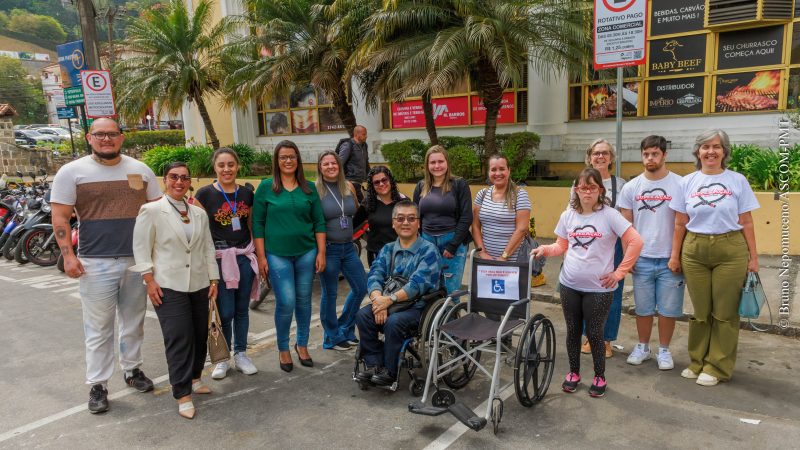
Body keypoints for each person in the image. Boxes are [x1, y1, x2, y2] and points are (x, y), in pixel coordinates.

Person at [51, 118, 161, 414]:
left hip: (137, 261)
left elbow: (159, 212)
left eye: (112, 134)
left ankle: (132, 370)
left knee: (134, 322)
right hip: (94, 263)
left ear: (121, 138)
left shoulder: (141, 170)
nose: (106, 139)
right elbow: (60, 217)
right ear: (89, 138)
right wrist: (68, 256)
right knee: (98, 328)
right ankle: (98, 384)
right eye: (99, 134)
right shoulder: (71, 172)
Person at [532, 168, 642, 398]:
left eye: (592, 187)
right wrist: (545, 249)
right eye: (583, 187)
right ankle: (573, 373)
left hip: (599, 289)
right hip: (570, 284)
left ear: (600, 190)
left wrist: (619, 273)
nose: (587, 192)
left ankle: (599, 376)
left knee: (594, 333)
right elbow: (561, 246)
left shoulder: (610, 215)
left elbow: (636, 241)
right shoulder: (568, 215)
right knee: (573, 331)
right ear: (576, 190)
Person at [668, 129, 759, 387]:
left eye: (716, 146)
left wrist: (753, 258)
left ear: (724, 151)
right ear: (698, 152)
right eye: (705, 147)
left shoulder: (737, 181)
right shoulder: (687, 182)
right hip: (694, 249)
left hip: (730, 250)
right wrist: (674, 256)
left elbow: (747, 222)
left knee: (724, 312)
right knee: (700, 311)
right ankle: (697, 361)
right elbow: (679, 223)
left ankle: (717, 366)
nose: (711, 151)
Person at [131, 162, 219, 419]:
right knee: (179, 338)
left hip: (199, 283)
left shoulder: (198, 213)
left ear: (190, 182)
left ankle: (195, 378)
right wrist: (149, 280)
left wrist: (214, 279)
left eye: (184, 177)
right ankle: (182, 394)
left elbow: (207, 247)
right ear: (165, 180)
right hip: (168, 285)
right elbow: (141, 248)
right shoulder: (151, 210)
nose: (179, 182)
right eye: (174, 177)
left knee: (200, 334)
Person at [252, 140, 326, 373]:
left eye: (292, 156)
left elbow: (319, 222)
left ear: (298, 160)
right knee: (286, 301)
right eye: (283, 157)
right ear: (276, 161)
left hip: (307, 252)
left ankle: (302, 344)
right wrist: (261, 257)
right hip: (277, 254)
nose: (288, 161)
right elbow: (258, 224)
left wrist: (321, 252)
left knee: (304, 300)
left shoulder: (309, 188)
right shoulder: (266, 187)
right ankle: (283, 348)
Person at [354, 200, 441, 387]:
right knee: (363, 315)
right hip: (388, 301)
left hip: (418, 306)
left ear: (419, 223)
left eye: (411, 218)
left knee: (394, 322)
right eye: (400, 219)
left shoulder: (429, 251)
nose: (405, 223)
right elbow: (375, 274)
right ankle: (374, 364)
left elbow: (417, 284)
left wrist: (389, 300)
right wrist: (378, 299)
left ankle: (390, 370)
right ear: (393, 223)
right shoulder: (387, 249)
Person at [618, 136, 685, 370]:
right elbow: (626, 225)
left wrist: (676, 256)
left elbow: (681, 223)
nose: (650, 158)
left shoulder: (680, 184)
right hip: (642, 258)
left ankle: (664, 350)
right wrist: (628, 257)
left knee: (668, 309)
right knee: (643, 308)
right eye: (646, 154)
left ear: (664, 155)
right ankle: (643, 347)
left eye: (655, 154)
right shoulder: (631, 187)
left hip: (670, 259)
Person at [194, 148, 258, 380]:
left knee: (242, 309)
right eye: (221, 165)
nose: (227, 169)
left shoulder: (247, 194)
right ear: (215, 167)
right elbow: (199, 231)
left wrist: (258, 256)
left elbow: (251, 225)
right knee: (225, 311)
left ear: (237, 166)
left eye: (231, 164)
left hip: (243, 256)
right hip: (219, 260)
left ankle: (241, 354)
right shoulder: (204, 194)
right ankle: (222, 358)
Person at [572, 139, 627, 358]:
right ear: (590, 157)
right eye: (596, 153)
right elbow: (572, 213)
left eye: (605, 153)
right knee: (587, 292)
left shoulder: (621, 185)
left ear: (611, 158)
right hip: (586, 244)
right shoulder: (577, 182)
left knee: (612, 293)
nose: (600, 156)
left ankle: (606, 340)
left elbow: (626, 219)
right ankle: (589, 336)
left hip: (613, 246)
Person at [315, 151, 368, 351]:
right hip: (329, 248)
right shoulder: (315, 190)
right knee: (330, 294)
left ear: (339, 165)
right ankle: (331, 337)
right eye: (326, 163)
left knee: (361, 287)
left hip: (349, 247)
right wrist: (318, 252)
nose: (330, 166)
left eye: (334, 163)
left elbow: (357, 212)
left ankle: (344, 328)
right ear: (320, 167)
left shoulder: (348, 187)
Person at [413, 145, 472, 294]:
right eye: (432, 162)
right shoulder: (421, 186)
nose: (437, 166)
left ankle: (452, 310)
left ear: (447, 162)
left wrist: (453, 245)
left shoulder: (459, 184)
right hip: (427, 242)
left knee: (451, 291)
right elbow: (415, 216)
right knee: (429, 288)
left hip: (452, 242)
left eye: (440, 161)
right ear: (427, 165)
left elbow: (466, 217)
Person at [472, 154, 532, 261]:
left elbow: (522, 229)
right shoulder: (482, 194)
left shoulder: (520, 194)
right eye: (493, 169)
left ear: (509, 171)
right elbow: (475, 227)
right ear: (488, 172)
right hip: (486, 260)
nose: (498, 173)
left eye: (502, 169)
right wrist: (482, 253)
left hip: (513, 261)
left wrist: (504, 256)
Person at [364, 166, 405, 266]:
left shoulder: (403, 201)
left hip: (399, 254)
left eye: (384, 180)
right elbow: (354, 225)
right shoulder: (367, 203)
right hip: (376, 254)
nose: (381, 184)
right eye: (376, 182)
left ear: (390, 180)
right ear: (372, 186)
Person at [338, 125, 370, 193]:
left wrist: (369, 176)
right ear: (356, 134)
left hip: (360, 182)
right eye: (364, 134)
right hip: (350, 181)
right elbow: (339, 163)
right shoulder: (348, 145)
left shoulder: (364, 145)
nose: (366, 136)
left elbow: (366, 162)